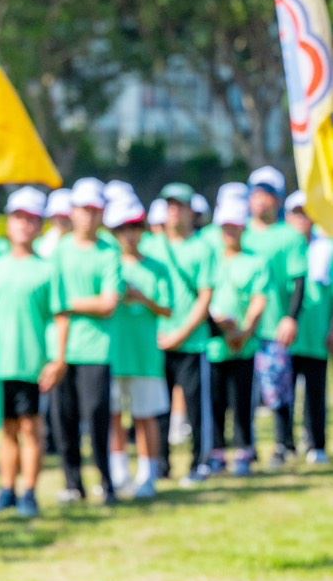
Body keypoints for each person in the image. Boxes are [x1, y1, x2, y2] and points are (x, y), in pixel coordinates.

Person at [46, 177, 123, 506]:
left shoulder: (109, 250)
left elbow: (108, 303)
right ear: (73, 212)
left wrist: (70, 302)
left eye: (95, 210)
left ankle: (106, 481)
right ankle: (72, 481)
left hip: (96, 350)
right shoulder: (61, 249)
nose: (89, 216)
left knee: (97, 416)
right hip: (65, 349)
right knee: (64, 418)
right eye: (83, 209)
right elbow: (56, 304)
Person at [0, 188, 56, 518]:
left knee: (31, 429)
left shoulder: (47, 269)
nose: (24, 225)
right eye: (18, 218)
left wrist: (56, 359)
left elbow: (59, 317)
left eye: (31, 219)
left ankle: (29, 490)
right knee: (7, 431)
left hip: (32, 362)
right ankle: (7, 489)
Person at [142, 183, 217, 484]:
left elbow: (205, 296)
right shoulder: (151, 246)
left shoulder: (202, 247)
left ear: (190, 211)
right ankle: (161, 463)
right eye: (170, 205)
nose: (174, 211)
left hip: (192, 341)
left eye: (180, 206)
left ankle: (200, 462)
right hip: (157, 339)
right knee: (158, 407)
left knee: (197, 407)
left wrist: (182, 333)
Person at [241, 167, 308, 468]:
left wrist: (290, 317)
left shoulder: (290, 236)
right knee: (244, 392)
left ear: (278, 200)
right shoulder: (239, 232)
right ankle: (246, 447)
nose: (260, 200)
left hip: (272, 325)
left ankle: (284, 444)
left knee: (278, 390)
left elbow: (299, 282)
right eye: (256, 193)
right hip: (241, 328)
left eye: (267, 194)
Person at [107, 196, 173, 499]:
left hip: (145, 355)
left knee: (146, 416)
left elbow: (168, 308)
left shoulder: (157, 267)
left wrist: (143, 299)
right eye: (123, 228)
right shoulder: (109, 264)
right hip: (113, 353)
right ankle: (118, 473)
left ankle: (149, 473)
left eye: (135, 227)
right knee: (115, 415)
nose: (130, 234)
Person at [208, 196, 268, 477]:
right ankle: (217, 453)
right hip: (215, 344)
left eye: (235, 227)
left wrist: (243, 332)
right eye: (226, 227)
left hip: (243, 344)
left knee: (243, 402)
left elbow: (259, 300)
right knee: (216, 402)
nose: (230, 233)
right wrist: (222, 326)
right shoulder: (210, 260)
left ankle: (245, 451)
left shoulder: (255, 262)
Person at [285, 192, 330, 464]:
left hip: (316, 336)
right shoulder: (284, 247)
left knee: (315, 392)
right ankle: (285, 444)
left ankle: (317, 443)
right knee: (282, 394)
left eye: (306, 213)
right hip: (285, 338)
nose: (302, 219)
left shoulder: (326, 248)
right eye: (297, 213)